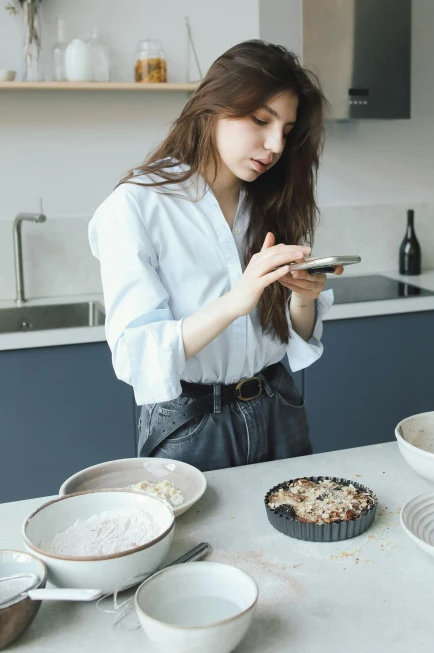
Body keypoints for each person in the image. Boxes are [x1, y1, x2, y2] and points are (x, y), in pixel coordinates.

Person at [88, 40, 343, 472]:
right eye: (261, 120)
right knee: (200, 542)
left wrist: (302, 297)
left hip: (278, 403)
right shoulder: (135, 207)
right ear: (214, 105)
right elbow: (136, 355)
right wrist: (234, 302)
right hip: (189, 424)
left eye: (286, 130)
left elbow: (291, 339)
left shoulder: (273, 200)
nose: (275, 145)